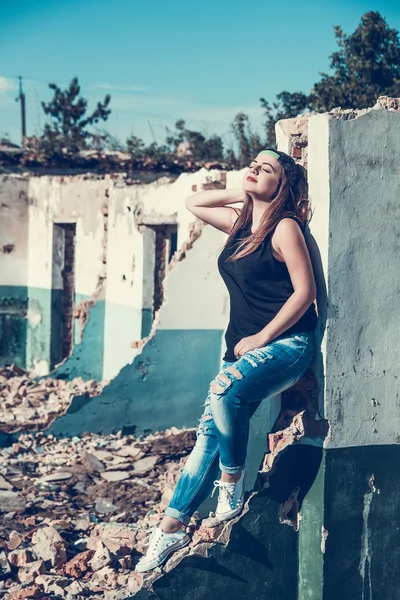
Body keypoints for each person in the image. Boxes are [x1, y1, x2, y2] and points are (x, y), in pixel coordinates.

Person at [136, 148, 318, 573]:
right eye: (252, 163)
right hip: (242, 349)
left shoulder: (285, 227)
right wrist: (248, 192)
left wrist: (262, 337)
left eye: (267, 168)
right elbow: (193, 202)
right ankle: (170, 529)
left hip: (286, 346)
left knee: (223, 391)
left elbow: (304, 292)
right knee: (206, 438)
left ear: (284, 185)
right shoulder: (241, 226)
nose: (254, 168)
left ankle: (232, 483)